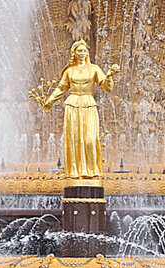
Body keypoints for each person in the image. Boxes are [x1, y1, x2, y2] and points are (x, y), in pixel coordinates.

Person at [42, 39, 119, 180]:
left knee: (90, 139)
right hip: (73, 105)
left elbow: (107, 87)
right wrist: (50, 101)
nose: (82, 53)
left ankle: (92, 170)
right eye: (79, 51)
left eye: (84, 50)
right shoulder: (69, 71)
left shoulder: (94, 69)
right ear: (74, 53)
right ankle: (75, 171)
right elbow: (61, 88)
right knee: (74, 139)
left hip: (89, 104)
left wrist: (108, 76)